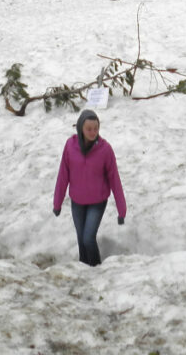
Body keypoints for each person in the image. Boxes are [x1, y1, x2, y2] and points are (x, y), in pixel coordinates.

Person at [52, 109, 127, 266]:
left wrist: (121, 210)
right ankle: (83, 269)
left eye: (96, 128)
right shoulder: (70, 146)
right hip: (77, 202)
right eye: (89, 129)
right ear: (81, 128)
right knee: (81, 240)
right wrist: (57, 203)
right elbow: (63, 175)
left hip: (97, 202)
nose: (93, 132)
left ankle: (96, 269)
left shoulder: (105, 149)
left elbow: (114, 180)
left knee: (88, 238)